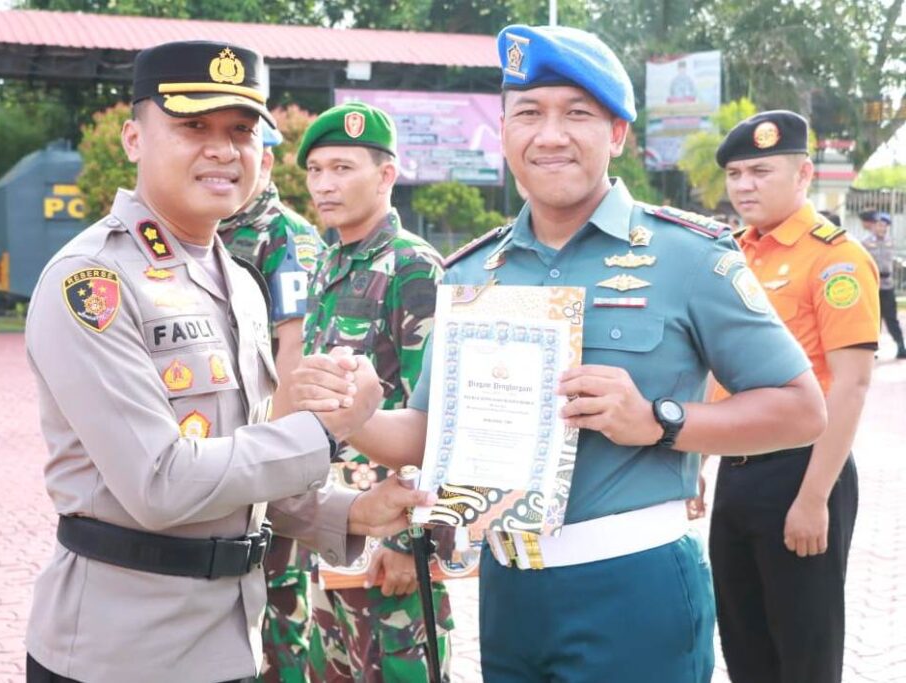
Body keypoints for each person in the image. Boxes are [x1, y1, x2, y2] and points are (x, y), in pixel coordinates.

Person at [290, 25, 829, 683]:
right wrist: (358, 419)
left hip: (635, 585)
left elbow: (803, 409)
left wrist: (662, 420)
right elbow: (430, 434)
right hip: (510, 588)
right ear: (506, 132)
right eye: (528, 114)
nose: (549, 134)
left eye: (576, 113)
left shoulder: (688, 256)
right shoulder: (470, 272)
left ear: (618, 134)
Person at [23, 40, 430, 683]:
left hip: (231, 638)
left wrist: (346, 512)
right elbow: (160, 482)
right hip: (121, 651)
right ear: (133, 138)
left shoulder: (235, 278)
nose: (222, 148)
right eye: (193, 126)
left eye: (240, 130)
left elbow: (241, 457)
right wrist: (329, 432)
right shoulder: (93, 282)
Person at [709, 110, 880, 683]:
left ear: (804, 174)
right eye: (735, 174)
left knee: (805, 648)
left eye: (760, 171)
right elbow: (719, 368)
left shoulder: (834, 257)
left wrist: (813, 499)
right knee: (744, 642)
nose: (744, 186)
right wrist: (694, 465)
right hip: (737, 472)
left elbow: (852, 385)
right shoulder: (731, 254)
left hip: (804, 471)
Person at [296, 102, 452, 683]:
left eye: (342, 168)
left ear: (386, 175)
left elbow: (435, 416)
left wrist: (418, 542)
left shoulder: (414, 267)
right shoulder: (327, 262)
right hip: (336, 525)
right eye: (315, 170)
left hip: (392, 539)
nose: (324, 184)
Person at [218, 125, 324, 683]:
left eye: (245, 146)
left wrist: (273, 463)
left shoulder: (285, 235)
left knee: (279, 620)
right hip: (214, 460)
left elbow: (295, 351)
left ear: (268, 160)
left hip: (265, 463)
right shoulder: (207, 228)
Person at [860, 210, 905, 358]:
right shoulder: (865, 243)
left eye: (885, 225)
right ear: (873, 226)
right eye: (879, 225)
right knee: (873, 319)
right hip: (872, 285)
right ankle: (872, 350)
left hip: (887, 285)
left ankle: (900, 346)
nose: (882, 228)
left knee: (891, 317)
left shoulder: (889, 241)